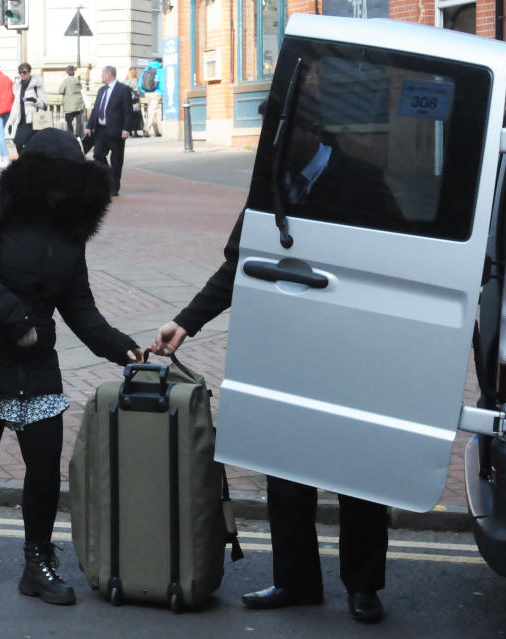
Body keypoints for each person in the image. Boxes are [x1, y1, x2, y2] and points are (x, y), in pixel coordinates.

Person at [152, 111, 399, 625]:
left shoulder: (363, 178)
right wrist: (186, 322)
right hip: (286, 346)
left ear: (313, 130)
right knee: (285, 465)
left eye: (283, 138)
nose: (274, 148)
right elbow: (239, 263)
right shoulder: (271, 181)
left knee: (357, 470)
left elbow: (397, 263)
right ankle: (297, 580)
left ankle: (362, 586)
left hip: (352, 349)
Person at [0, 127, 145, 605]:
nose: (62, 190)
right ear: (33, 177)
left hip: (34, 365)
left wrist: (121, 347)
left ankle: (38, 563)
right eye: (55, 179)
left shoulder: (68, 233)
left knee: (45, 463)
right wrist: (18, 320)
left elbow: (79, 305)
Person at [84, 65, 133, 197]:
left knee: (116, 159)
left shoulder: (123, 89)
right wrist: (89, 126)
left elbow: (128, 111)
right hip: (101, 129)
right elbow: (95, 110)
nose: (101, 76)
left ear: (109, 74)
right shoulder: (101, 90)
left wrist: (126, 129)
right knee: (98, 155)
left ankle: (114, 186)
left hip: (116, 130)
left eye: (102, 74)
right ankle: (108, 177)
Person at [8, 62, 48, 156]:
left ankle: (28, 163)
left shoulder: (36, 87)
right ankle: (27, 160)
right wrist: (10, 122)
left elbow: (45, 105)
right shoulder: (19, 86)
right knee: (17, 142)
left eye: (24, 72)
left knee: (33, 145)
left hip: (34, 121)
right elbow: (15, 106)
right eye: (20, 72)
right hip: (21, 121)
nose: (22, 74)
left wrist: (34, 100)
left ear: (29, 72)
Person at [139, 58, 163, 137]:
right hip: (156, 93)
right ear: (160, 63)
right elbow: (162, 82)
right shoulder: (160, 70)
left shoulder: (146, 69)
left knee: (152, 110)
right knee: (152, 111)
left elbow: (140, 83)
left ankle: (156, 132)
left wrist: (144, 91)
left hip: (147, 93)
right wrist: (162, 93)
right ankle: (146, 129)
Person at [60, 65, 85, 138]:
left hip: (69, 106)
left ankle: (70, 136)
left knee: (69, 122)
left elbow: (60, 91)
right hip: (79, 104)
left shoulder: (66, 81)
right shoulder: (78, 81)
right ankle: (78, 136)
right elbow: (81, 90)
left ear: (67, 72)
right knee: (79, 122)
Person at [123, 68, 144, 137]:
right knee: (136, 117)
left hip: (127, 102)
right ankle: (135, 132)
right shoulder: (135, 81)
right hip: (135, 102)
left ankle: (130, 131)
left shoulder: (125, 81)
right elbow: (138, 92)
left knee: (129, 117)